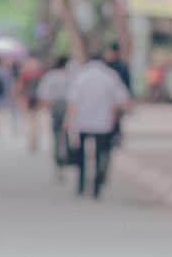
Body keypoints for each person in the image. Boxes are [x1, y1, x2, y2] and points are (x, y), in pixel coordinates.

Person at [65, 51, 130, 199]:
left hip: (82, 121)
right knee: (102, 153)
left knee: (81, 154)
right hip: (104, 122)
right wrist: (115, 118)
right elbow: (120, 100)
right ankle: (97, 184)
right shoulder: (110, 76)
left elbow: (73, 102)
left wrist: (68, 121)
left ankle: (81, 184)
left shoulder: (81, 76)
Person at [37, 56, 72, 181]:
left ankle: (59, 161)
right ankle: (64, 159)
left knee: (57, 135)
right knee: (66, 134)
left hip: (56, 107)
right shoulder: (69, 76)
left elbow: (43, 94)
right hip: (68, 107)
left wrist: (47, 107)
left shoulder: (50, 76)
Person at [104, 43, 131, 147]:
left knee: (117, 118)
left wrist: (127, 99)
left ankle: (115, 137)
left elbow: (127, 83)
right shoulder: (108, 65)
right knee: (110, 119)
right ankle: (111, 137)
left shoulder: (121, 66)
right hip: (110, 98)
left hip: (118, 97)